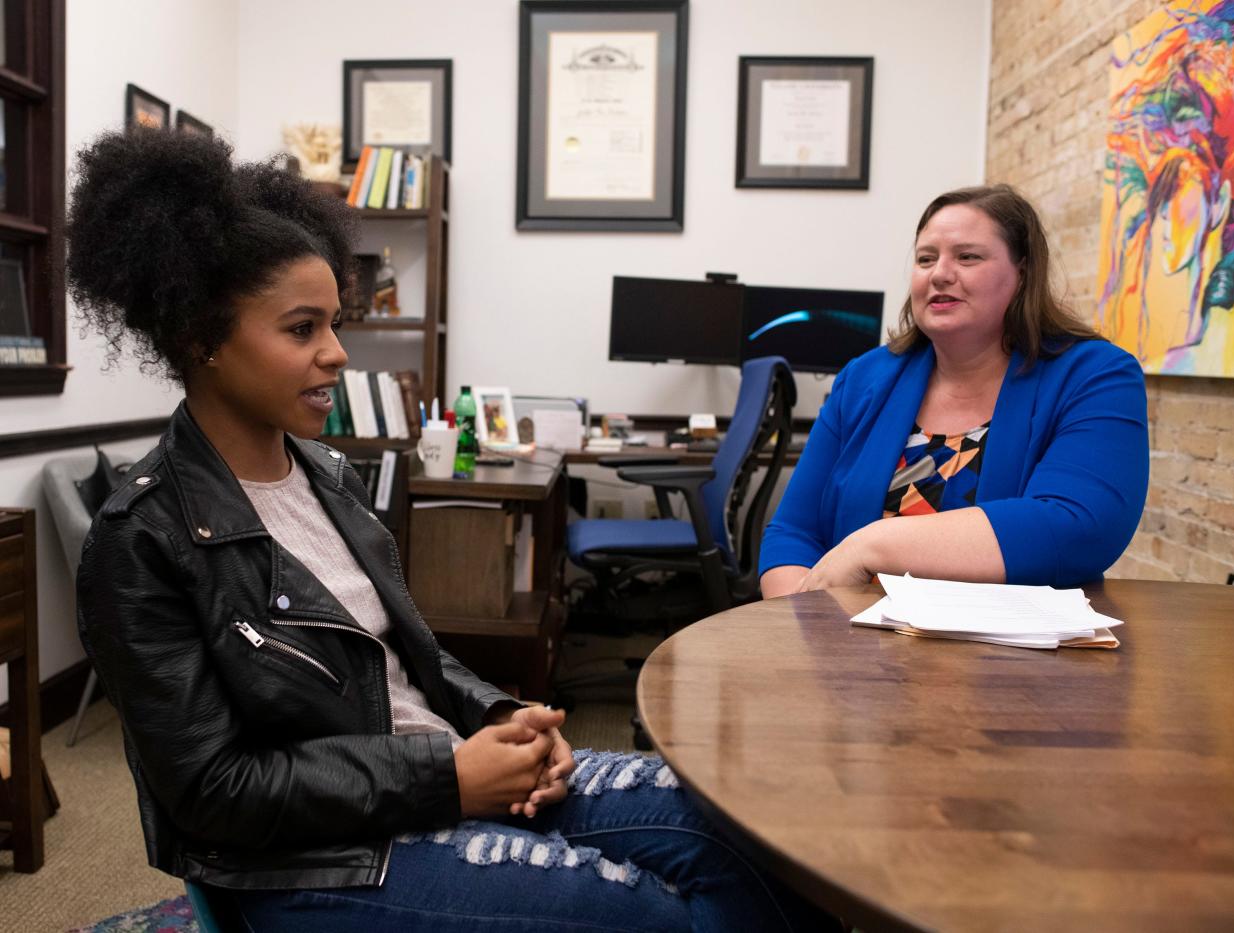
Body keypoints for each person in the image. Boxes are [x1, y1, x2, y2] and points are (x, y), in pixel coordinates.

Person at [68, 130, 826, 932]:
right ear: (200, 340)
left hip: (435, 772)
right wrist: (451, 777)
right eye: (301, 330)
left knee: (746, 841)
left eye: (335, 323)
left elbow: (406, 659)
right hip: (305, 862)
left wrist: (496, 713)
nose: (336, 353)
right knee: (660, 917)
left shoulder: (327, 475)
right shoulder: (140, 539)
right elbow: (213, 792)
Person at [760, 185, 1149, 598]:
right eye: (926, 258)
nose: (939, 273)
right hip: (852, 645)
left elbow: (1077, 526)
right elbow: (792, 532)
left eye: (967, 257)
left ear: (1024, 273)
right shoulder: (864, 378)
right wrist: (801, 626)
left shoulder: (1095, 375)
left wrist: (871, 546)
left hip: (1010, 654)